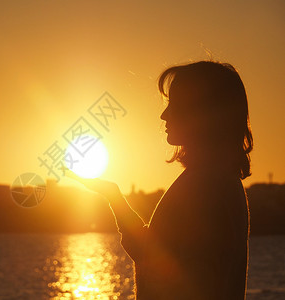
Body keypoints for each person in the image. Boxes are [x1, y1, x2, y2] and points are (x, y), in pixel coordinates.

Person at [68, 60, 253, 299]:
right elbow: (159, 258)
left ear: (203, 112)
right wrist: (114, 198)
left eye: (175, 105)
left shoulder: (207, 187)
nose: (164, 114)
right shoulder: (209, 179)